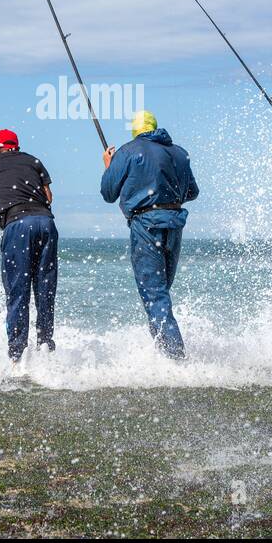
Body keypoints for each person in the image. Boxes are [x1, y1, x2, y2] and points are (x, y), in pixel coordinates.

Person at [100, 110, 198, 359]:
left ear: (135, 130)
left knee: (155, 296)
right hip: (174, 224)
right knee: (161, 293)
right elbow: (192, 192)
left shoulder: (129, 151)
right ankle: (163, 355)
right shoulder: (179, 152)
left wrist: (109, 167)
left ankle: (177, 361)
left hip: (146, 224)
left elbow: (108, 193)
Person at [0, 129, 58, 365]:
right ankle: (45, 348)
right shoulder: (34, 161)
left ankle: (17, 358)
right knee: (45, 290)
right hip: (46, 224)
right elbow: (48, 196)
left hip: (17, 227)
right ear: (15, 146)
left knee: (18, 292)